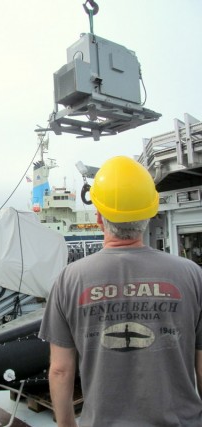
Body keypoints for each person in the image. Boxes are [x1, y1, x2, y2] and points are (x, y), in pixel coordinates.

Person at [39, 156, 202, 427]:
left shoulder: (69, 279)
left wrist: (66, 424)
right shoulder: (192, 275)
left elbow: (60, 370)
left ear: (99, 217)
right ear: (149, 215)